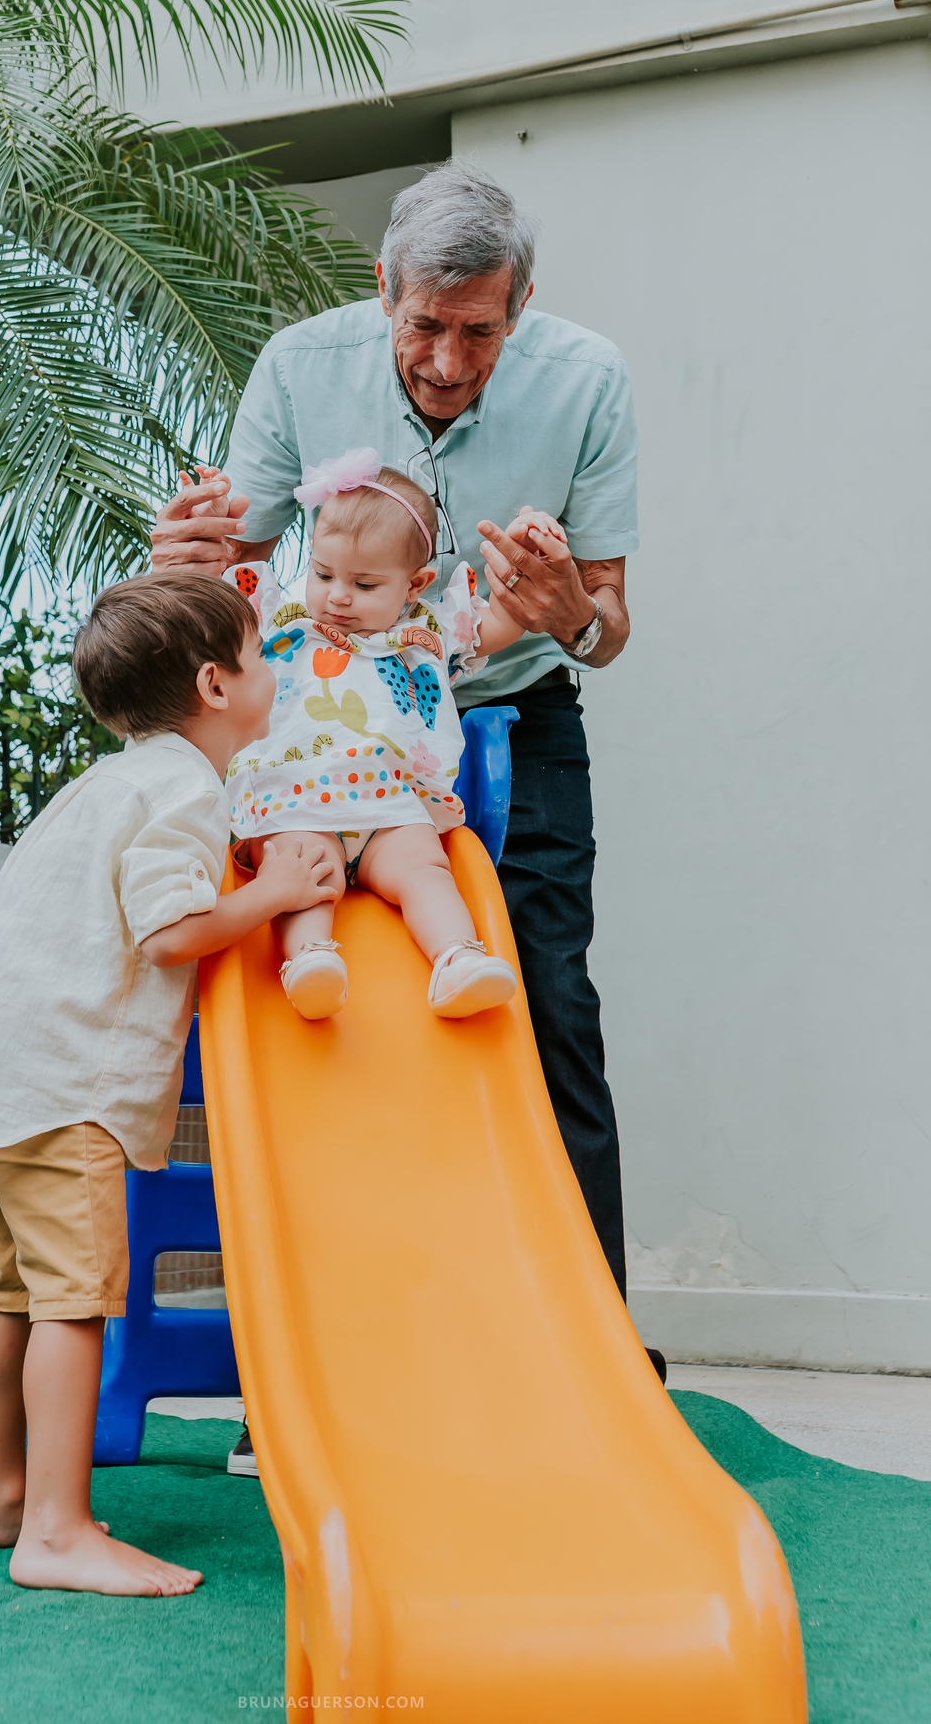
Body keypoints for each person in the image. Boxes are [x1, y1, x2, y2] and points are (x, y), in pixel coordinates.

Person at [153, 159, 661, 1473]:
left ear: (523, 304)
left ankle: (595, 1340)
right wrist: (183, 564)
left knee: (552, 999)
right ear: (383, 290)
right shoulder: (297, 365)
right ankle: (311, 1358)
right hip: (319, 726)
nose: (445, 358)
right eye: (423, 324)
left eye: (478, 330)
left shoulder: (587, 378)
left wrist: (565, 612)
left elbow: (607, 625)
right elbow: (235, 579)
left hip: (507, 712)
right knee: (312, 1022)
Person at [0, 571, 338, 1592]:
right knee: (73, 1303)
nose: (272, 668)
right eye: (259, 651)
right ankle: (57, 1529)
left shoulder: (99, 786)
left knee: (4, 1295)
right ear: (214, 682)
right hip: (70, 1084)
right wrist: (277, 889)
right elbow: (171, 930)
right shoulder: (187, 788)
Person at [222, 445, 573, 1020]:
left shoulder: (427, 635)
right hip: (300, 801)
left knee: (426, 870)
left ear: (416, 584)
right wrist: (205, 537)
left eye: (364, 585)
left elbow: (506, 617)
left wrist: (525, 556)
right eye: (324, 573)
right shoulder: (285, 625)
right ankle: (310, 960)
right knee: (300, 873)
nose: (337, 595)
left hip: (392, 809)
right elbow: (212, 598)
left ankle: (457, 959)